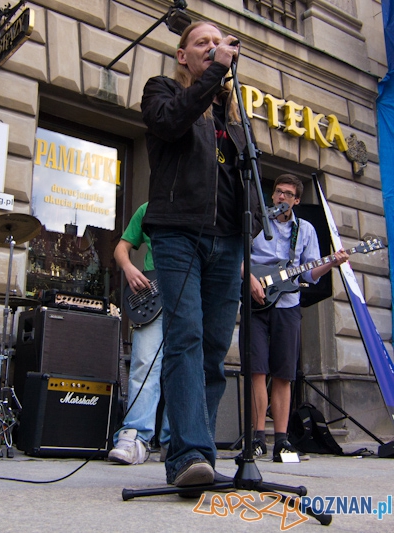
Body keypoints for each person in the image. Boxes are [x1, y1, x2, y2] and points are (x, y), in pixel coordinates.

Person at [140, 21, 263, 488]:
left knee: (214, 349)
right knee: (186, 338)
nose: (212, 48)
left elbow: (248, 178)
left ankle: (201, 452)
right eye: (202, 43)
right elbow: (171, 122)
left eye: (218, 42)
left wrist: (252, 226)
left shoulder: (234, 114)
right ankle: (186, 454)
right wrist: (214, 75)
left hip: (227, 242)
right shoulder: (163, 91)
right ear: (182, 55)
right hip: (179, 235)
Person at [241, 174, 348, 461]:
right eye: (278, 192)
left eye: (288, 194)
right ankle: (257, 438)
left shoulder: (306, 230)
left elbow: (309, 274)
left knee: (284, 374)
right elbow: (238, 257)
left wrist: (331, 263)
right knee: (256, 370)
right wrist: (249, 280)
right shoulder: (257, 222)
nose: (281, 197)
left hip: (288, 305)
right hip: (255, 302)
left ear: (297, 200)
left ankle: (282, 440)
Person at [109, 202, 169, 465]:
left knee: (184, 368)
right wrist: (129, 268)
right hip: (154, 297)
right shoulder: (148, 209)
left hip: (189, 294)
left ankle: (175, 442)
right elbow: (121, 248)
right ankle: (134, 437)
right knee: (143, 364)